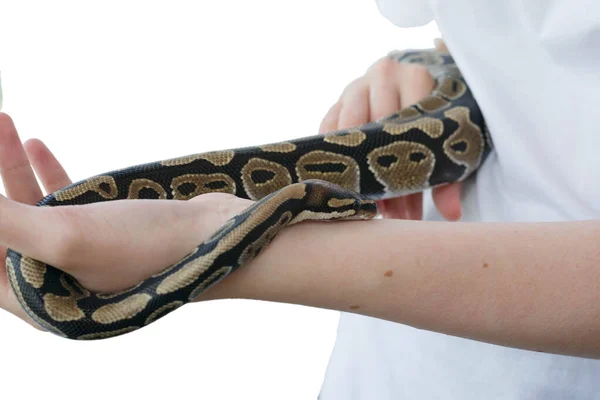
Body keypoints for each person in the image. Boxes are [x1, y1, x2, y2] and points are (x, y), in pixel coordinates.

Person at [0, 0, 598, 398]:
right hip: (393, 371)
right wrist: (438, 66)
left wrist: (211, 242)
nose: (357, 211)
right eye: (345, 207)